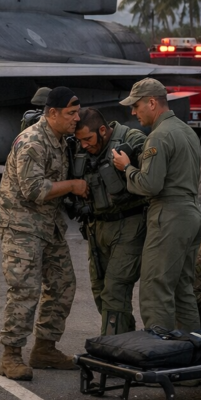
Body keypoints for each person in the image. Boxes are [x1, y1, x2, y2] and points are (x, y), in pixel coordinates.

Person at [0, 86, 85, 381]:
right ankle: (11, 355)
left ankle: (45, 348)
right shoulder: (33, 141)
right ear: (53, 113)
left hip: (48, 224)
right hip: (22, 226)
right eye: (71, 114)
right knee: (25, 290)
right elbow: (33, 190)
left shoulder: (59, 139)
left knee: (63, 285)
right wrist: (72, 185)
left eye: (77, 113)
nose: (76, 119)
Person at [112, 78, 201, 332]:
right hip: (191, 213)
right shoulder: (186, 130)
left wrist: (126, 167)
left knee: (155, 287)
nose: (133, 112)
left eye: (136, 106)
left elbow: (149, 185)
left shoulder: (159, 136)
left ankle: (160, 353)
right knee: (182, 288)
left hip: (169, 215)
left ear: (152, 103)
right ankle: (193, 353)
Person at [74, 107, 148, 336]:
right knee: (100, 290)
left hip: (129, 225)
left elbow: (153, 173)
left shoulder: (131, 140)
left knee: (115, 289)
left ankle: (111, 349)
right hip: (96, 228)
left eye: (88, 139)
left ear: (103, 130)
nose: (84, 145)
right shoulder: (80, 148)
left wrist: (128, 165)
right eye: (81, 141)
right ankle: (125, 340)